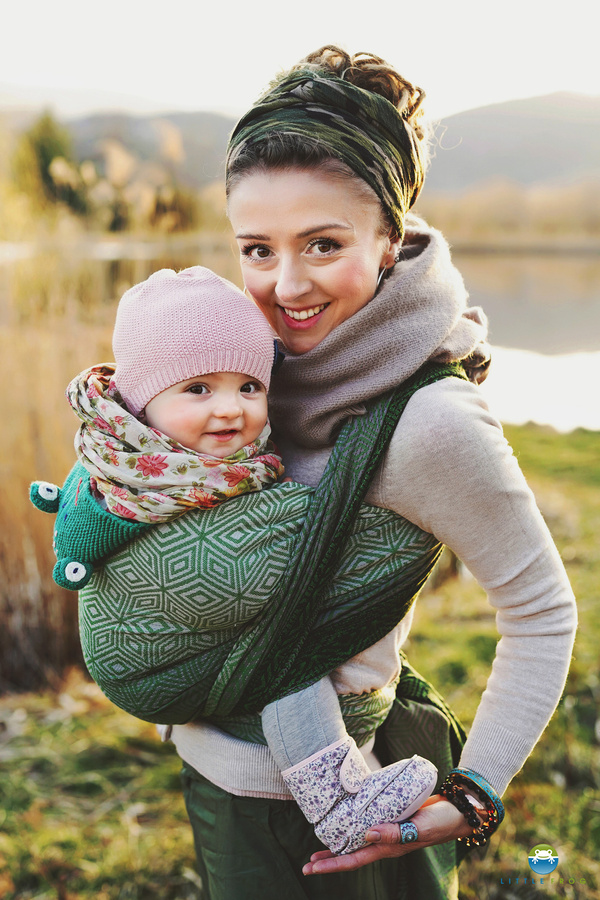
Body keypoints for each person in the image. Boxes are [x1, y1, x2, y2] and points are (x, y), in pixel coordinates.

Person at [160, 46, 577, 900]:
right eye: (257, 249)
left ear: (391, 238)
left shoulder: (430, 420)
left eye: (323, 244)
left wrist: (474, 794)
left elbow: (542, 611)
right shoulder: (235, 375)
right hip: (216, 782)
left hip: (341, 800)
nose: (286, 284)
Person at [30, 264, 439, 856]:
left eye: (249, 387)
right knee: (286, 658)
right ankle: (337, 802)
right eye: (198, 389)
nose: (230, 410)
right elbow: (282, 558)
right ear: (143, 402)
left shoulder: (154, 452)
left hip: (169, 666)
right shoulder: (165, 481)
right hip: (152, 672)